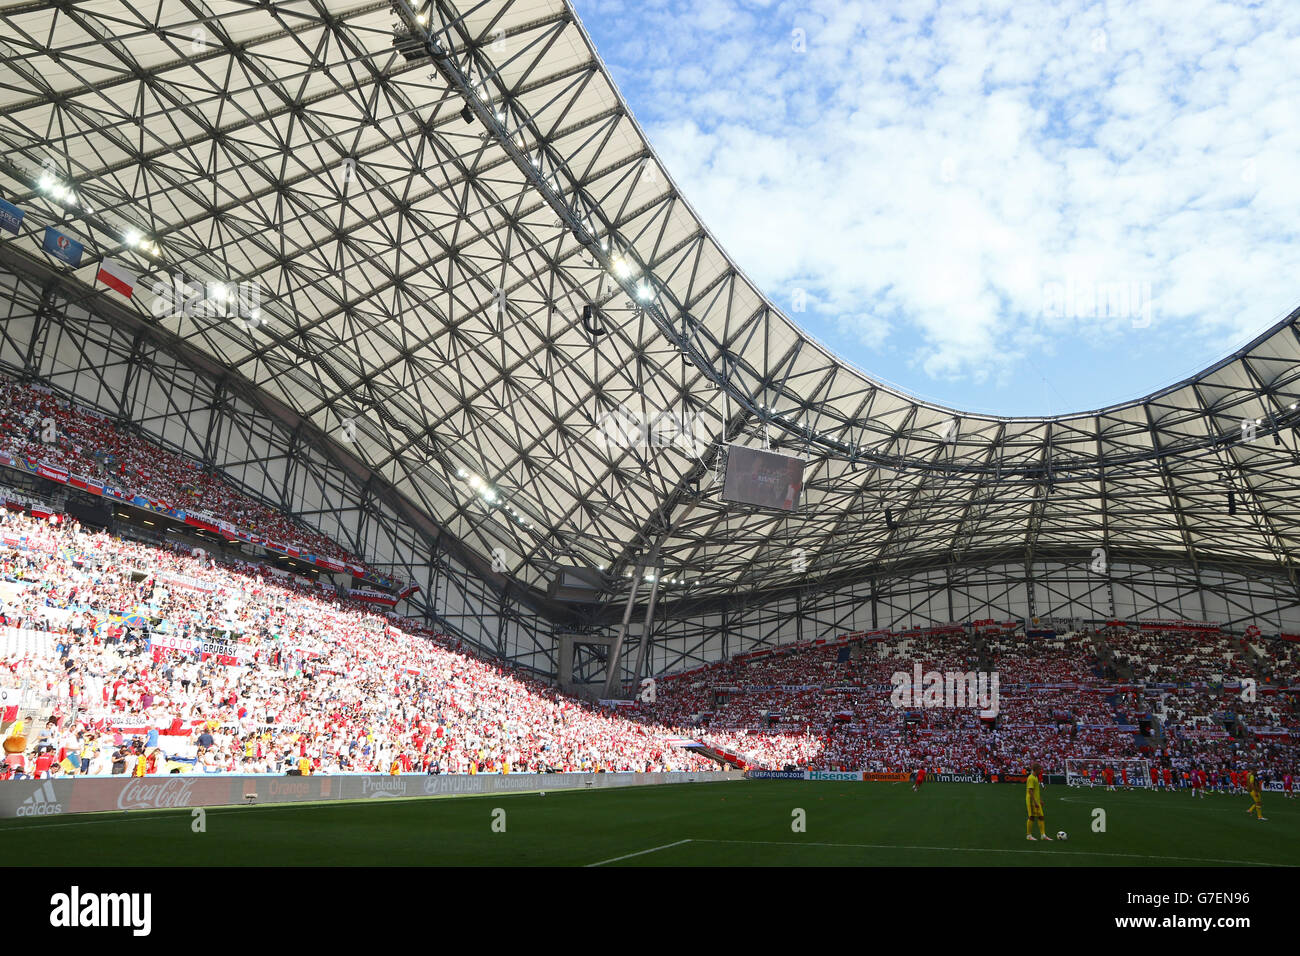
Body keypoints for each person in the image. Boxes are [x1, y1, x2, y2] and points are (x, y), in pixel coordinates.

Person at [1025, 763, 1051, 841]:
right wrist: (1035, 802)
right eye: (1040, 769)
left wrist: (1039, 800)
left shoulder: (1035, 777)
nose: (1041, 771)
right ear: (1036, 770)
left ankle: (1043, 835)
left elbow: (1036, 791)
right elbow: (1030, 791)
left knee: (1041, 816)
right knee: (1032, 817)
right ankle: (1028, 835)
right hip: (1031, 800)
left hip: (1036, 800)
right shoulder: (1031, 778)